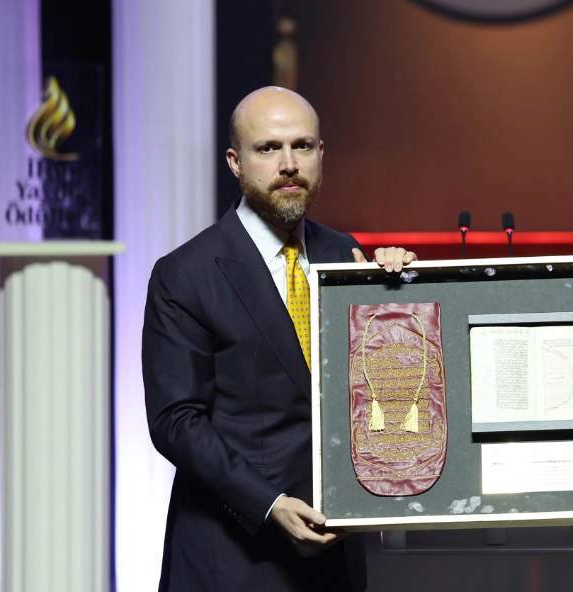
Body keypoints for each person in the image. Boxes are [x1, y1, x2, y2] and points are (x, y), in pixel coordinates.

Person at [143, 87, 416, 591]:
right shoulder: (185, 274)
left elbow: (382, 387)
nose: (288, 164)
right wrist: (269, 504)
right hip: (233, 557)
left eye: (302, 146)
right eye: (268, 148)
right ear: (235, 162)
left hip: (334, 557)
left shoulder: (347, 255)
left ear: (320, 154)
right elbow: (175, 422)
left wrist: (403, 296)